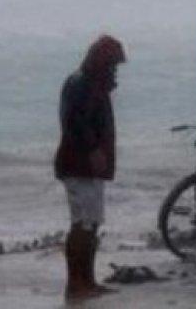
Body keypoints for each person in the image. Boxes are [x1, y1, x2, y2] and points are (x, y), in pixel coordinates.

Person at [54, 35, 125, 300]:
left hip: (88, 166)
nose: (114, 71)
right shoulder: (82, 84)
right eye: (112, 65)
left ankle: (87, 280)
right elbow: (75, 122)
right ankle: (76, 283)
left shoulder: (89, 84)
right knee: (83, 223)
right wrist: (93, 149)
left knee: (91, 223)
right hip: (79, 164)